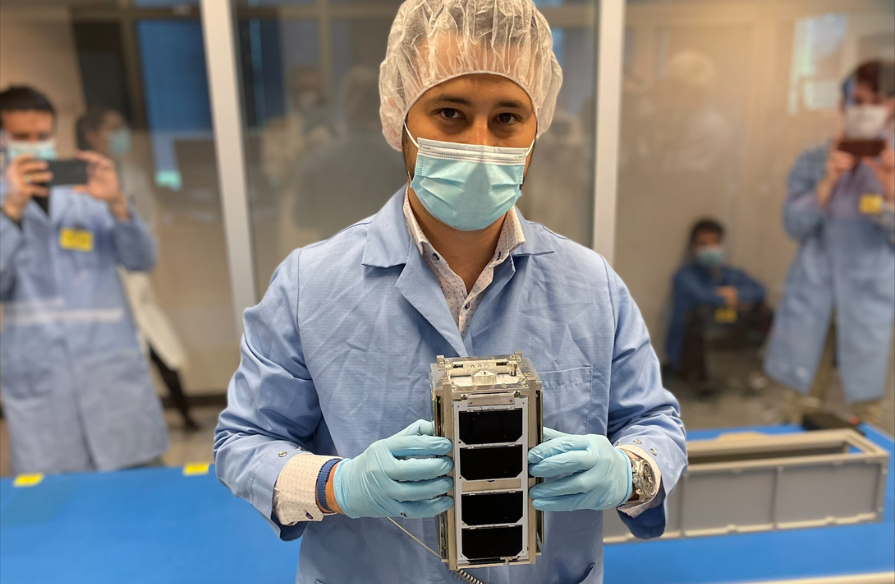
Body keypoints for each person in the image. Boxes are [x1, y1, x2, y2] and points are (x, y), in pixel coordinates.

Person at [214, 2, 687, 583]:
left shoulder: (591, 286)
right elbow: (243, 442)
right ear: (400, 119)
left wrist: (627, 472)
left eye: (508, 117)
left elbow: (656, 424)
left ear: (539, 129)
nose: (481, 143)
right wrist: (339, 485)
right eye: (451, 113)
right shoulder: (310, 285)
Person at [0, 86, 168, 473]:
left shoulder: (85, 193)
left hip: (108, 370)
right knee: (63, 511)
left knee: (141, 498)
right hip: (42, 379)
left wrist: (116, 204)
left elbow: (142, 260)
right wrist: (11, 209)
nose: (34, 146)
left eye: (42, 136)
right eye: (21, 138)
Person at [764, 60, 895, 426]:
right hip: (814, 291)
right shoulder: (814, 159)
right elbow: (793, 225)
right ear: (842, 105)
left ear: (892, 105)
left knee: (868, 411)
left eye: (876, 100)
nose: (864, 110)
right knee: (800, 404)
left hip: (872, 299)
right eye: (856, 100)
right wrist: (825, 185)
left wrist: (891, 191)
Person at [76, 106, 199, 432]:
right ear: (92, 136)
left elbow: (146, 227)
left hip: (134, 276)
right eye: (112, 128)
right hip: (97, 280)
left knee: (159, 345)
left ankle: (184, 415)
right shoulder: (75, 179)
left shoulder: (133, 176)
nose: (121, 135)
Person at [666, 218, 768, 396]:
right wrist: (734, 299)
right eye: (703, 244)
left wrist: (736, 295)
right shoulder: (684, 277)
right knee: (702, 312)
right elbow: (704, 297)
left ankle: (751, 370)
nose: (709, 249)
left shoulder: (730, 274)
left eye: (714, 243)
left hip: (726, 336)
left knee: (764, 311)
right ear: (693, 248)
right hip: (689, 350)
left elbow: (759, 290)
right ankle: (700, 381)